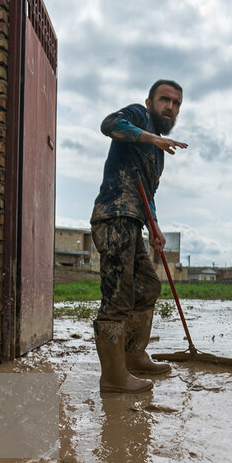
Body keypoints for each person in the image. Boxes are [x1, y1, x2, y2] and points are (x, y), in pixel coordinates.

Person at [90, 80, 188, 393]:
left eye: (176, 103)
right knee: (117, 297)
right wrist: (150, 138)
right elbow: (109, 124)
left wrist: (155, 228)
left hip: (134, 220)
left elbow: (148, 193)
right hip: (114, 214)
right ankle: (113, 377)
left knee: (147, 287)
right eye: (164, 100)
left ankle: (133, 357)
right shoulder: (136, 116)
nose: (170, 107)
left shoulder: (157, 155)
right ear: (150, 102)